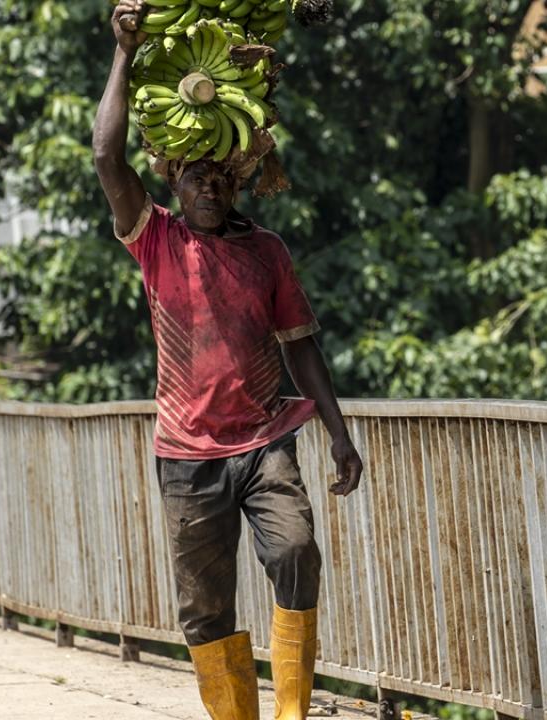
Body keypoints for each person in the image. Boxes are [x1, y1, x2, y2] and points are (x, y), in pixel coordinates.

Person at [93, 2, 364, 718]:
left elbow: (302, 346)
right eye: (196, 178)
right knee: (205, 612)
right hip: (186, 453)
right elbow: (104, 156)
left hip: (265, 439)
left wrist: (337, 432)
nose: (209, 187)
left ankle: (292, 711)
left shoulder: (267, 251)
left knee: (296, 550)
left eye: (221, 177)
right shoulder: (155, 241)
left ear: (237, 184)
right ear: (175, 185)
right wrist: (123, 52)